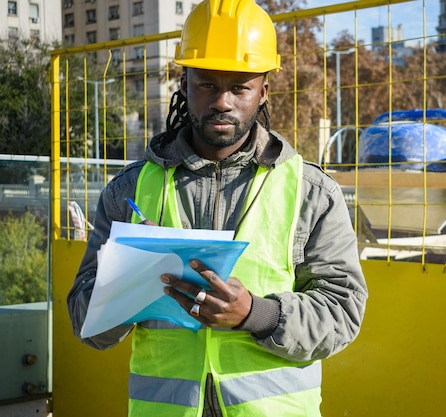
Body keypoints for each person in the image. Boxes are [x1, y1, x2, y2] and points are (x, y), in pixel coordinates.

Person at [66, 0, 368, 416]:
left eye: (240, 86)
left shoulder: (311, 191)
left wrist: (255, 314)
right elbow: (86, 323)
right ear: (184, 82)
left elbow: (343, 311)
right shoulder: (129, 190)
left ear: (263, 90)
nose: (223, 101)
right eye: (207, 84)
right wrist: (130, 279)